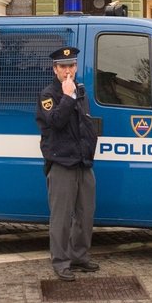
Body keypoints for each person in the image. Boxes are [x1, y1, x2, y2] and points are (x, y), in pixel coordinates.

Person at [35, 46, 99, 282]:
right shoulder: (48, 95)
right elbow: (56, 123)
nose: (68, 70)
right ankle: (61, 262)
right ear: (55, 69)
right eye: (63, 67)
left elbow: (85, 124)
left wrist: (90, 148)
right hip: (62, 163)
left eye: (71, 66)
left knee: (85, 214)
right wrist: (67, 96)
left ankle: (80, 256)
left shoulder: (79, 91)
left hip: (83, 162)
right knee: (61, 218)